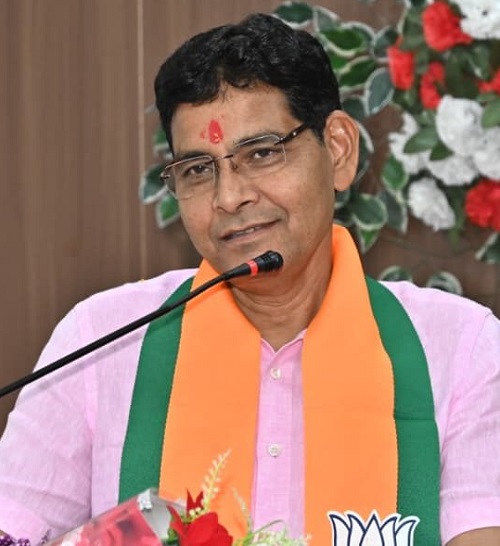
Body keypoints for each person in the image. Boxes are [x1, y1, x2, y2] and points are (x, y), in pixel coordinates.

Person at [0, 12, 499, 546]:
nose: (229, 197)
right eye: (198, 169)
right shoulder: (101, 342)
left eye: (261, 153)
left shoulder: (460, 347)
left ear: (337, 149)